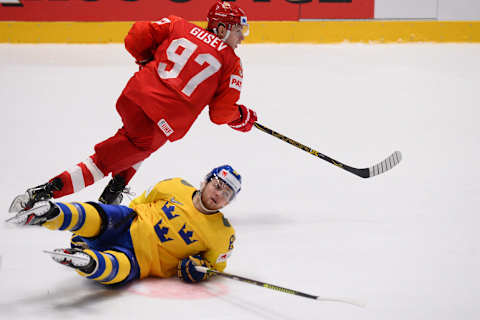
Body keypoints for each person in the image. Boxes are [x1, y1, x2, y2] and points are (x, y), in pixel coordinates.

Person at [9, 0, 256, 213]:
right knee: (103, 162)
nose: (242, 37)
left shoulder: (178, 24)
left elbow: (136, 35)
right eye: (238, 31)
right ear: (222, 28)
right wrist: (241, 117)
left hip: (133, 98)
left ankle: (113, 193)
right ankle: (38, 196)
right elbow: (221, 113)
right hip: (158, 122)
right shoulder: (230, 61)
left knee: (137, 145)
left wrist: (146, 61)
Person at [7, 165, 241, 285]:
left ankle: (87, 262)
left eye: (227, 194)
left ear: (229, 202)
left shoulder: (223, 234)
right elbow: (140, 202)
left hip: (143, 259)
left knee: (121, 269)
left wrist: (200, 270)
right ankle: (53, 213)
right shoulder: (175, 185)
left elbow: (214, 266)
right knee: (103, 215)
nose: (219, 194)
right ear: (205, 181)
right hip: (127, 222)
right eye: (217, 185)